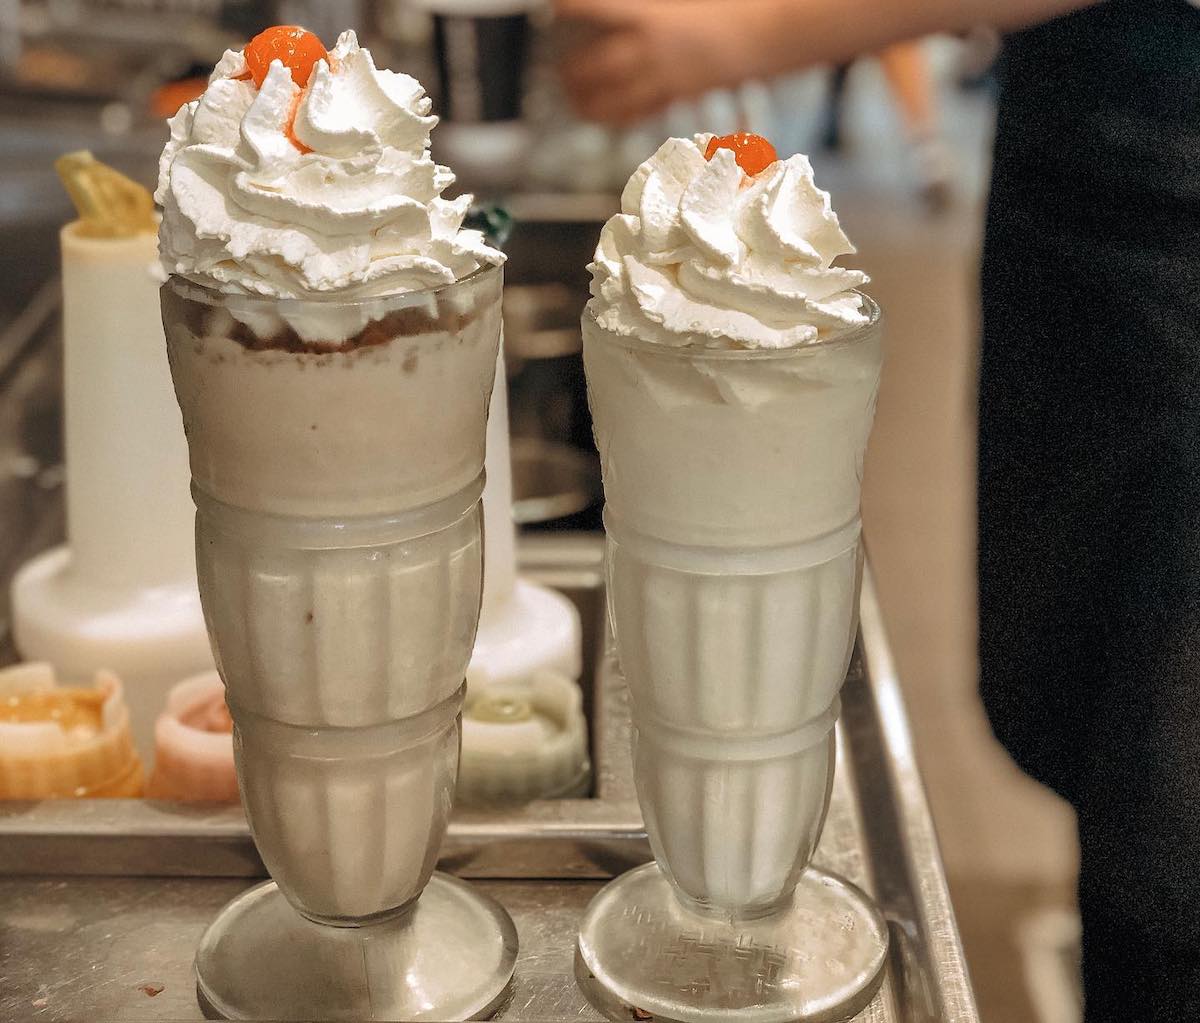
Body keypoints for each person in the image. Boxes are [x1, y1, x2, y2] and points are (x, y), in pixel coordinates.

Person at [554, 2, 1200, 1021]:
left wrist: (749, 32)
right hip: (1091, 122)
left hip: (1164, 155)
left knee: (1162, 780)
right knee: (1088, 688)